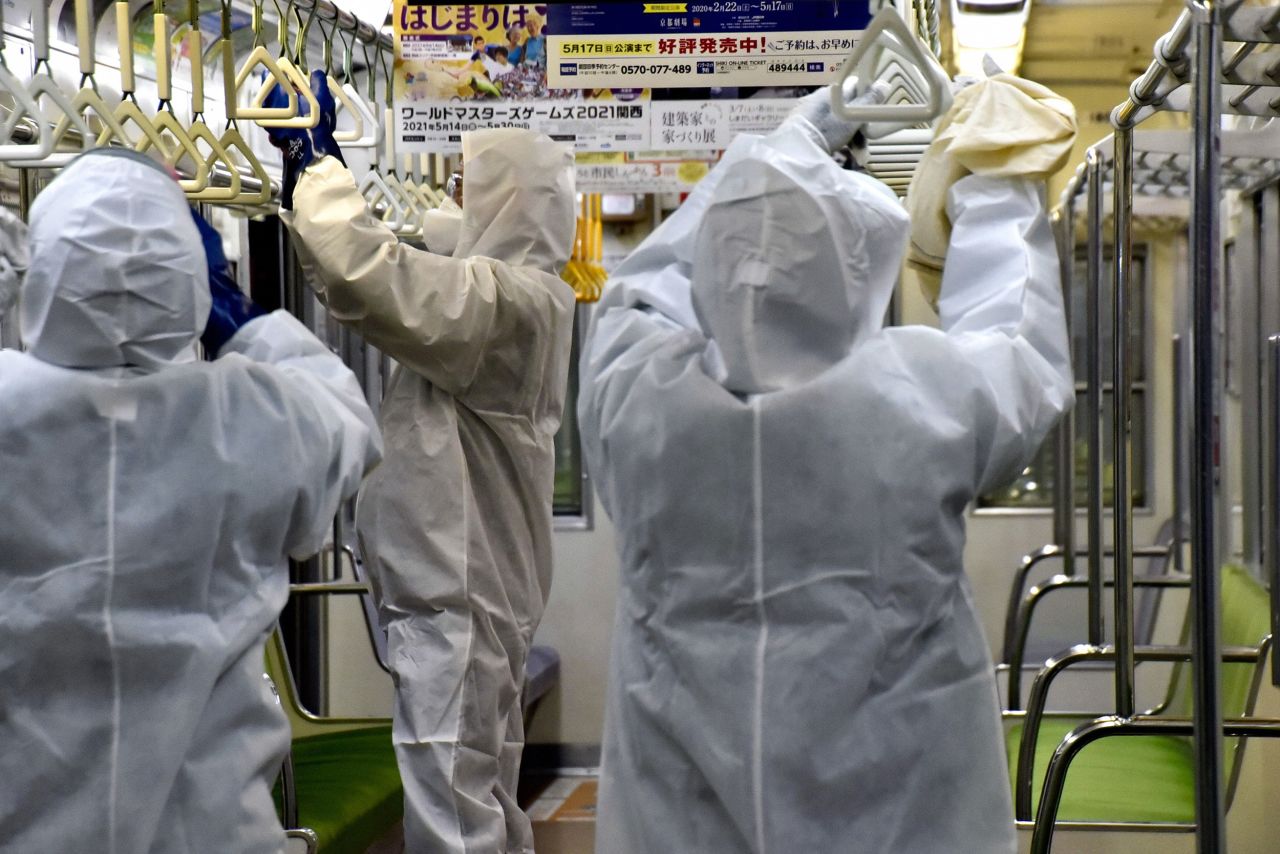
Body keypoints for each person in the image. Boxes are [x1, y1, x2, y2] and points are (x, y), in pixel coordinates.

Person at [577, 78, 1076, 853]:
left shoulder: (636, 404)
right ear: (861, 277)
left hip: (675, 821)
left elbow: (640, 290)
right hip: (900, 817)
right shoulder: (920, 401)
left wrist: (792, 141)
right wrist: (996, 179)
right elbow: (1015, 333)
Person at [0, 148, 383, 852]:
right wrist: (235, 316)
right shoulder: (248, 417)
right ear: (187, 283)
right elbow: (346, 418)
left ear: (45, 274)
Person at [265, 75, 577, 854]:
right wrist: (312, 200)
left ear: (507, 199)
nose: (456, 197)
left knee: (451, 798)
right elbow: (380, 279)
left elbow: (376, 281)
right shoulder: (515, 296)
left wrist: (319, 171)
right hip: (465, 594)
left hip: (460, 599)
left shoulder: (510, 305)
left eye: (472, 185)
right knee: (477, 789)